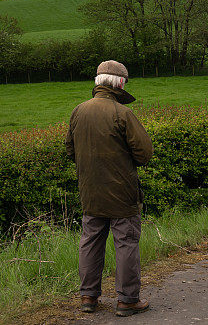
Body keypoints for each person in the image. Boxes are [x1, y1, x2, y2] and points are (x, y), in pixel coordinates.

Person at [65, 60, 153, 317]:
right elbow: (145, 153)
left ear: (98, 82)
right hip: (122, 192)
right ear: (120, 83)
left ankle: (88, 297)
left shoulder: (78, 111)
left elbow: (71, 151)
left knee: (90, 241)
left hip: (90, 191)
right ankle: (127, 300)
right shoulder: (122, 113)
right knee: (125, 242)